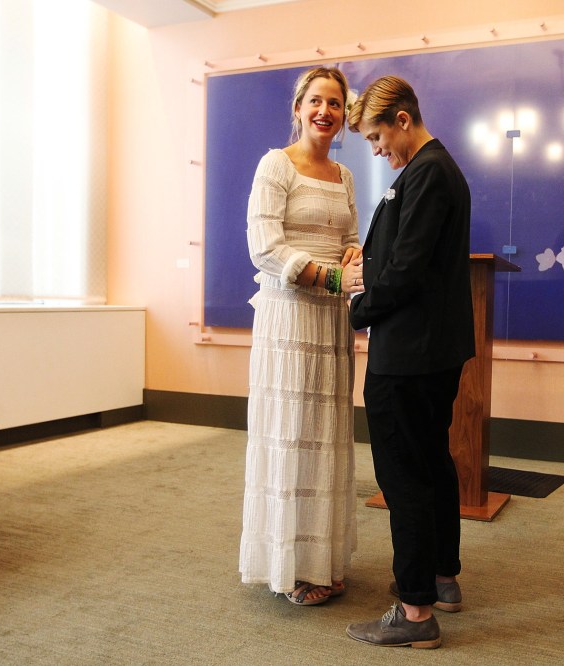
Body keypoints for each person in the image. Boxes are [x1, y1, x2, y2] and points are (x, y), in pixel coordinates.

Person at [341, 75, 475, 648]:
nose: (377, 151)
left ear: (402, 119)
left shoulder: (428, 173)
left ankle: (416, 614)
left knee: (405, 477)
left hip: (410, 355)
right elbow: (399, 254)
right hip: (431, 350)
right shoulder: (430, 172)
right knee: (433, 463)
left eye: (377, 137)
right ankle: (442, 578)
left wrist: (357, 305)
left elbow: (407, 269)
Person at [239, 66, 361, 607]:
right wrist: (332, 275)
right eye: (316, 101)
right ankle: (290, 564)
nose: (325, 112)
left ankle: (323, 560)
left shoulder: (345, 174)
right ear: (298, 107)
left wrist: (355, 255)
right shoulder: (275, 165)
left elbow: (352, 238)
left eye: (335, 104)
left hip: (332, 325)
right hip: (289, 321)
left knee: (327, 436)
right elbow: (264, 246)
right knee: (290, 434)